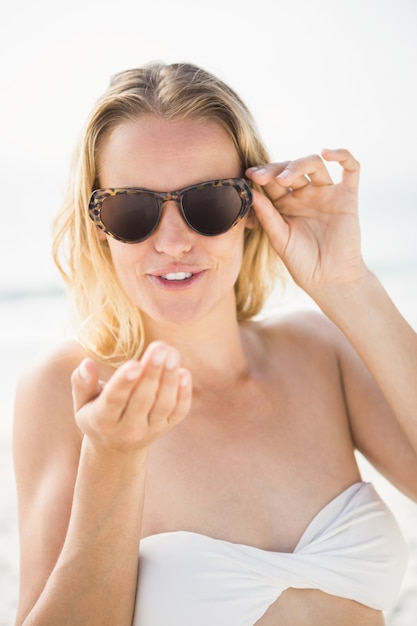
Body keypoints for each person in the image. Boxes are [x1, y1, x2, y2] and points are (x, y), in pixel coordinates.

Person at [13, 61, 417, 626]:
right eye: (134, 209)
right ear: (99, 223)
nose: (173, 242)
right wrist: (114, 461)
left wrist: (349, 286)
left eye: (208, 203)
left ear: (251, 208)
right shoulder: (70, 393)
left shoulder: (319, 352)